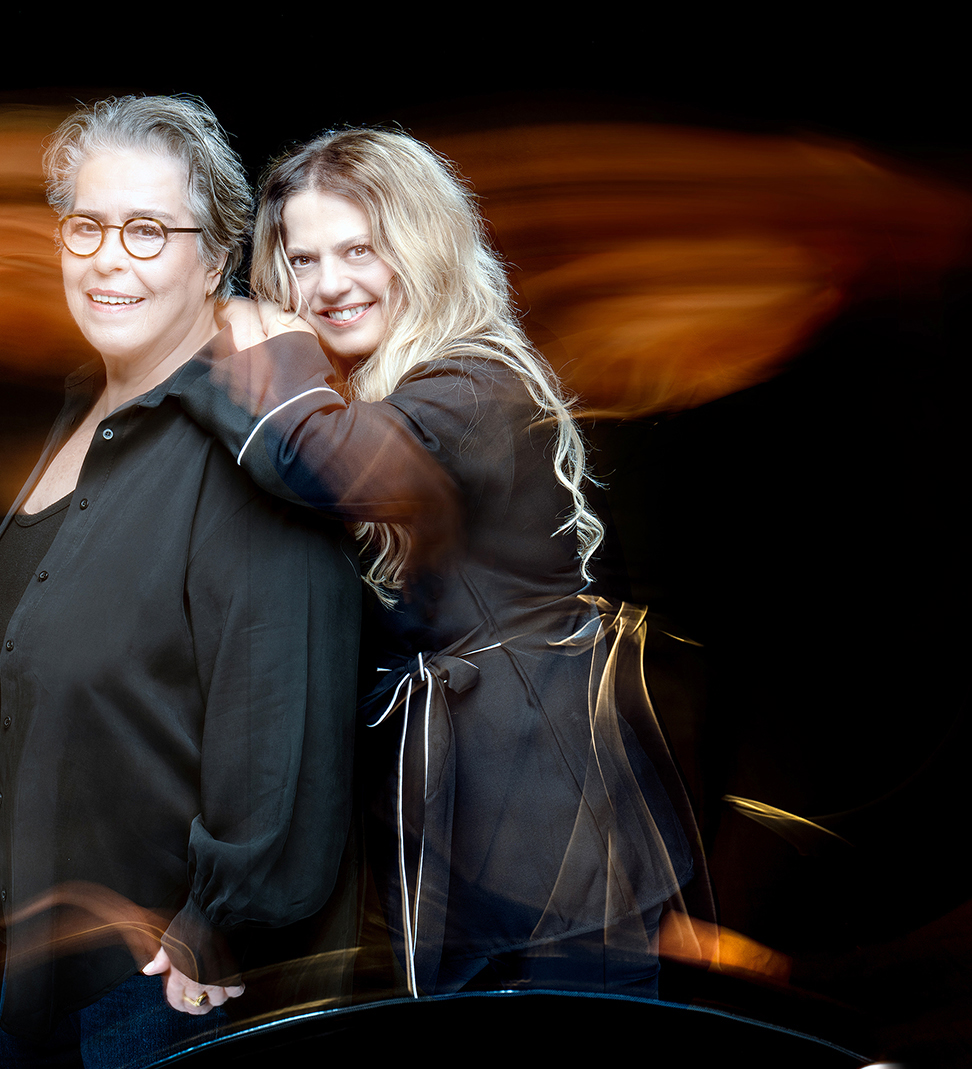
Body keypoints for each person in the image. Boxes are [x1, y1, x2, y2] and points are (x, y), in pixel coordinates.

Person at [187, 128, 707, 997]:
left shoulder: (477, 385)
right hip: (464, 823)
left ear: (422, 250)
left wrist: (245, 335)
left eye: (360, 250)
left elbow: (319, 459)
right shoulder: (381, 388)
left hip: (548, 833)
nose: (329, 285)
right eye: (303, 260)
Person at [0, 97, 364, 1068]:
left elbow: (285, 744)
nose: (106, 258)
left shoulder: (256, 443)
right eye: (85, 225)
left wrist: (215, 929)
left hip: (159, 1001)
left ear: (215, 259)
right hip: (29, 980)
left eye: (146, 230)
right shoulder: (77, 410)